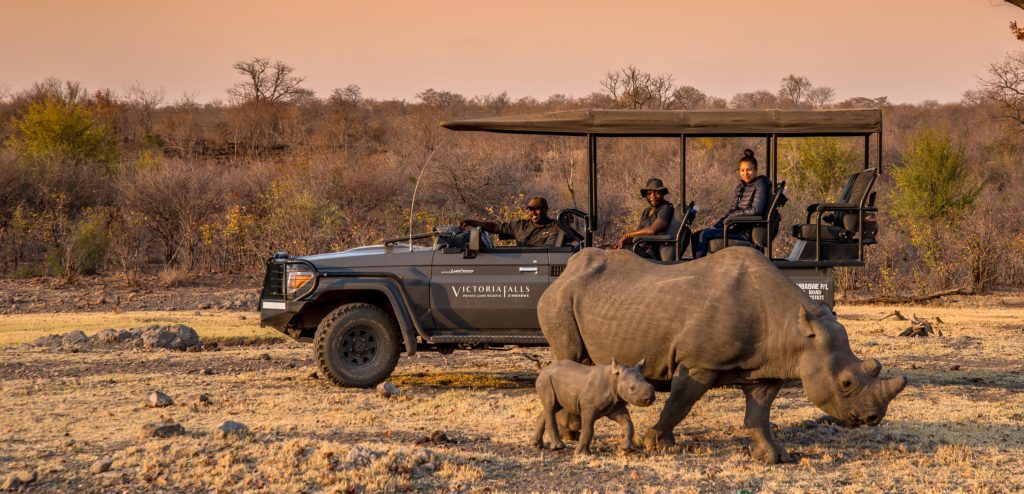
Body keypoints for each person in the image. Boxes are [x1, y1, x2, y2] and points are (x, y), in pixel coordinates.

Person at [691, 149, 771, 258]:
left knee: (704, 235)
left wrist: (733, 216)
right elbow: (732, 211)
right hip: (733, 227)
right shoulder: (742, 187)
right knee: (696, 235)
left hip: (744, 233)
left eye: (749, 170)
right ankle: (698, 265)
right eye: (742, 170)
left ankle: (699, 269)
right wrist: (717, 226)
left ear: (756, 170)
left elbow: (757, 210)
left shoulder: (760, 184)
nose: (745, 173)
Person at [459, 196, 563, 247]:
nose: (533, 213)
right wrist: (470, 222)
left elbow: (570, 238)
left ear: (545, 209)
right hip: (521, 266)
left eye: (537, 209)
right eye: (531, 209)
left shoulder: (555, 226)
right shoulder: (520, 226)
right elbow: (495, 227)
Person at [614, 178, 674, 255]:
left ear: (662, 194)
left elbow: (651, 231)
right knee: (606, 248)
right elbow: (639, 232)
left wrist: (628, 235)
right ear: (646, 196)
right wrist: (625, 239)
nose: (653, 197)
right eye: (649, 194)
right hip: (639, 245)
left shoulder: (666, 208)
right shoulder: (647, 211)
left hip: (650, 250)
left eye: (657, 193)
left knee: (608, 252)